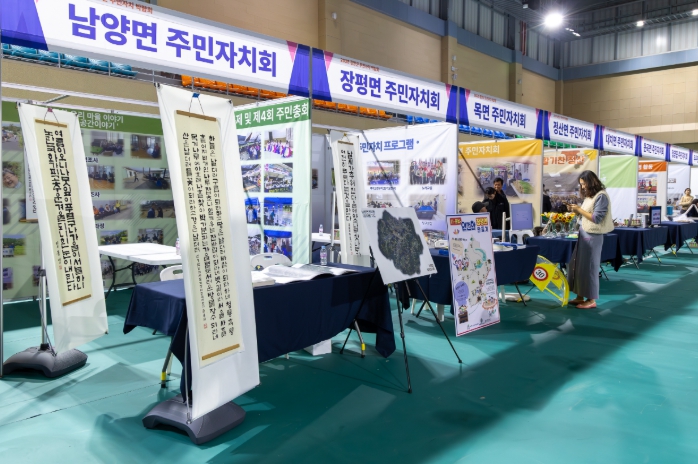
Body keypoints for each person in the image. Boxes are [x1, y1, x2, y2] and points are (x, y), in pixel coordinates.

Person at [566, 170, 614, 309]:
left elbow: (596, 218)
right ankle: (580, 296)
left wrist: (579, 210)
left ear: (591, 182)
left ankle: (591, 299)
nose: (582, 187)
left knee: (590, 267)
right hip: (584, 233)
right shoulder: (589, 196)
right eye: (581, 184)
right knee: (577, 265)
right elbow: (586, 214)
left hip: (593, 236)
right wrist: (576, 210)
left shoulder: (601, 196)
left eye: (584, 184)